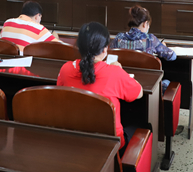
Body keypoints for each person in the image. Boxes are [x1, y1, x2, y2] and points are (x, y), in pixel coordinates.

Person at [57, 22, 143, 151]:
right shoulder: (114, 73)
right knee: (141, 121)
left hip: (76, 138)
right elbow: (139, 93)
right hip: (110, 146)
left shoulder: (65, 69)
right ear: (104, 49)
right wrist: (120, 71)